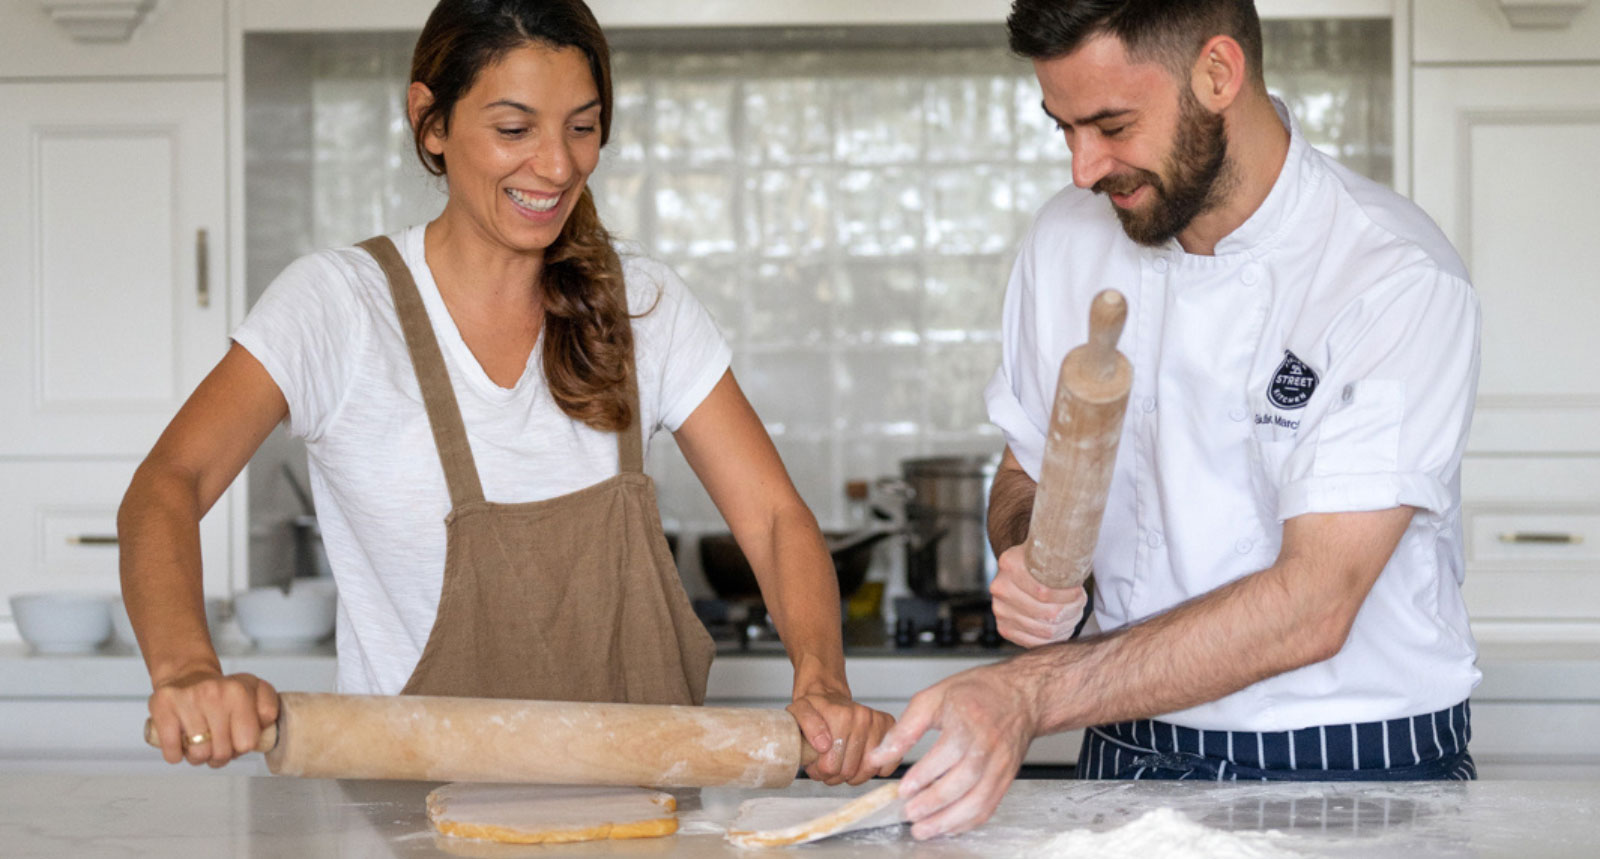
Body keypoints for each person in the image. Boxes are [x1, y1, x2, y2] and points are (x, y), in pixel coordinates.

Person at [120, 0, 892, 785]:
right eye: (515, 129)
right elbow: (166, 485)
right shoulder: (339, 306)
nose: (557, 166)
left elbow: (772, 518)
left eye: (582, 127)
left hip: (642, 833)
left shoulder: (643, 304)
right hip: (409, 833)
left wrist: (821, 678)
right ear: (431, 122)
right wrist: (186, 668)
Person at [865, 0, 1481, 837]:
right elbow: (1025, 466)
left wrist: (1031, 690)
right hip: (1122, 742)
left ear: (1218, 73)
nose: (1085, 167)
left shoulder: (1390, 276)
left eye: (1112, 124)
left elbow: (1313, 602)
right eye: (1064, 129)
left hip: (1349, 756)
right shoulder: (1065, 239)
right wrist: (1028, 550)